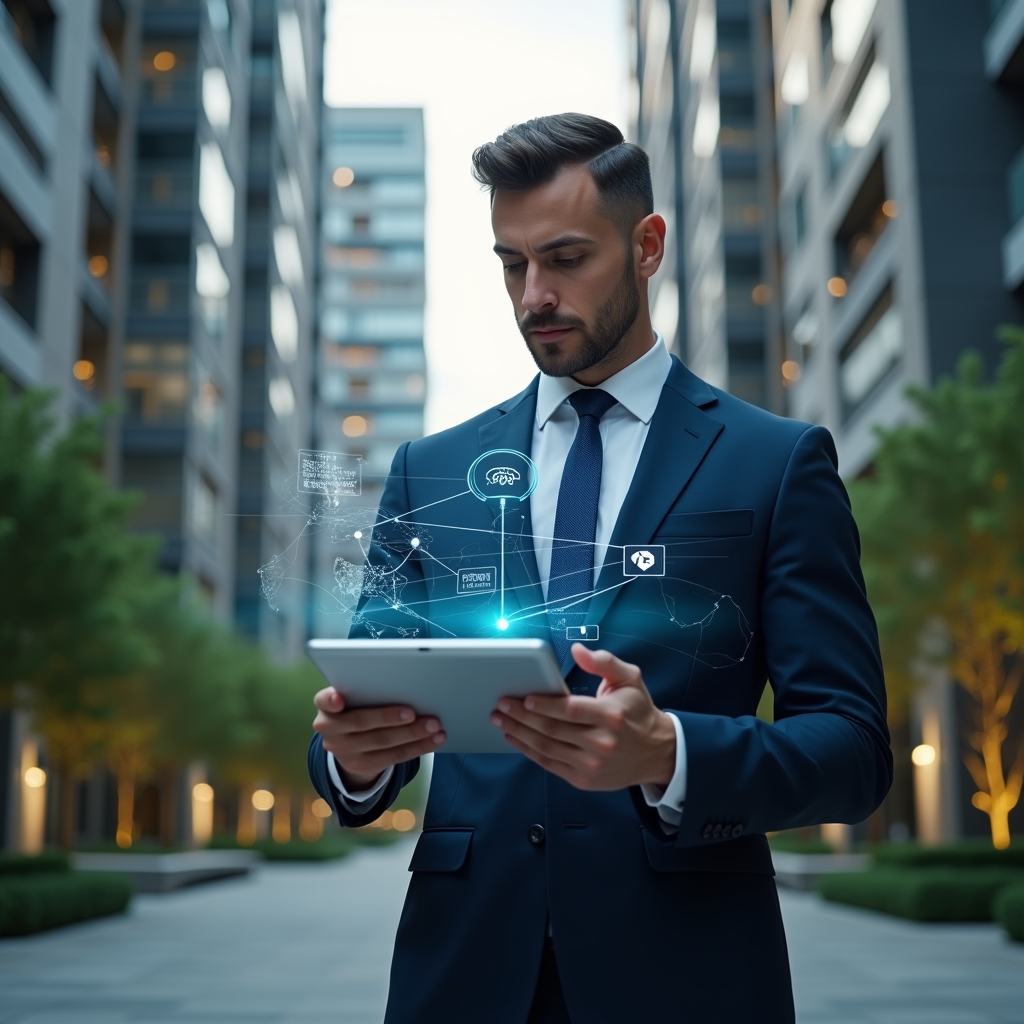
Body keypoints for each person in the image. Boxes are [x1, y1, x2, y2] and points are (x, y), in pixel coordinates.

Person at [308, 113, 891, 1024]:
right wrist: (352, 762)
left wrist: (672, 755)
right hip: (463, 974)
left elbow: (853, 751)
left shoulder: (775, 462)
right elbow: (362, 710)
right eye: (512, 263)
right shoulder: (430, 470)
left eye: (567, 257)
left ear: (647, 245)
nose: (533, 293)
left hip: (687, 974)